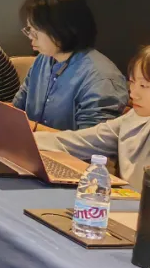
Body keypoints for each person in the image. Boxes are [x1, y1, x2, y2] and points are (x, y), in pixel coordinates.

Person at [13, 0, 127, 132]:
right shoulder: (43, 59)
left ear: (62, 29)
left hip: (61, 148)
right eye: (29, 30)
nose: (30, 36)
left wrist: (33, 128)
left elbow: (91, 141)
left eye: (36, 31)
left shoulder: (100, 78)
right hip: (31, 144)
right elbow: (18, 107)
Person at [35, 46, 150, 183]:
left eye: (144, 86)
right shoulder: (133, 118)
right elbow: (79, 141)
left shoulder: (100, 75)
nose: (133, 94)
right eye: (132, 82)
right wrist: (25, 140)